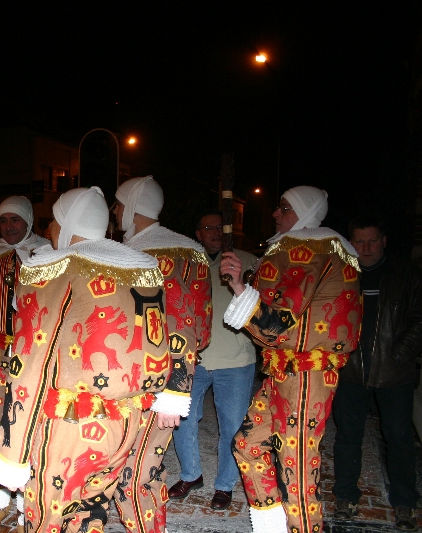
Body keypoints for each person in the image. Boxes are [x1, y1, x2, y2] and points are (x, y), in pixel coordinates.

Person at [0, 187, 170, 533]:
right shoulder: (142, 265)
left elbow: (30, 365)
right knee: (90, 513)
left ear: (68, 222)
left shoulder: (54, 268)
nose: (51, 229)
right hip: (126, 419)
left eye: (54, 221)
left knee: (49, 517)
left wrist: (14, 453)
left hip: (69, 425)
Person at [221, 186, 362, 533]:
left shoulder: (309, 250)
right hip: (285, 372)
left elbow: (276, 322)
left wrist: (239, 287)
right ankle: (272, 526)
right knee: (247, 445)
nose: (275, 213)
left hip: (304, 376)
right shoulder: (310, 249)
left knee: (296, 468)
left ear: (306, 212)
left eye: (284, 207)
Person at [111, 177, 211, 531]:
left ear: (133, 206)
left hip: (148, 381)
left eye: (119, 204)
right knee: (143, 467)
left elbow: (178, 324)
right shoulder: (190, 250)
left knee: (134, 472)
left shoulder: (141, 253)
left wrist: (173, 390)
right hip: (158, 378)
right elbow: (202, 328)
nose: (115, 211)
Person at [332, 215, 422, 531]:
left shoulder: (405, 274)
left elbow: (419, 319)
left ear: (383, 241)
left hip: (394, 373)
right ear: (351, 243)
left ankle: (405, 502)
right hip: (351, 371)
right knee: (347, 436)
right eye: (359, 241)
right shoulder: (343, 274)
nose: (366, 247)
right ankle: (345, 496)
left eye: (372, 241)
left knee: (399, 438)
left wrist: (399, 354)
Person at [167, 210, 257, 510]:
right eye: (208, 227)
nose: (215, 232)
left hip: (235, 360)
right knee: (182, 418)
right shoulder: (187, 261)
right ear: (198, 233)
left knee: (232, 425)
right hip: (194, 358)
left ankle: (225, 485)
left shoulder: (246, 261)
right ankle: (191, 474)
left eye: (220, 227)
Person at [0, 196, 49, 533]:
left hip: (31, 351)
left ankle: (25, 503)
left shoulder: (48, 253)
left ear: (28, 220)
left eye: (15, 219)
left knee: (27, 423)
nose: (9, 226)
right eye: (3, 220)